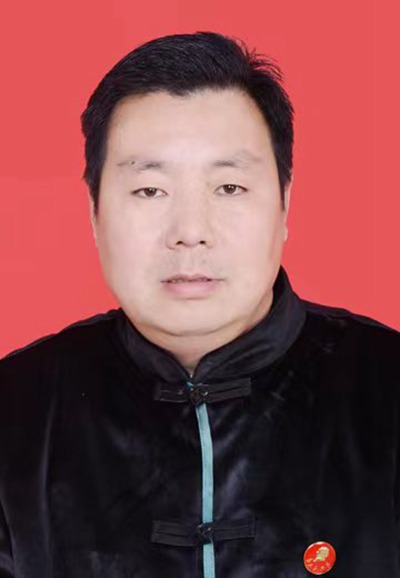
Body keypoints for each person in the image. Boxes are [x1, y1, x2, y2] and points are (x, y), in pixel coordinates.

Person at [0, 31, 398, 578]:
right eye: (149, 190)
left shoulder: (387, 389)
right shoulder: (16, 411)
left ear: (285, 203)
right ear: (94, 212)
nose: (190, 231)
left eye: (228, 188)